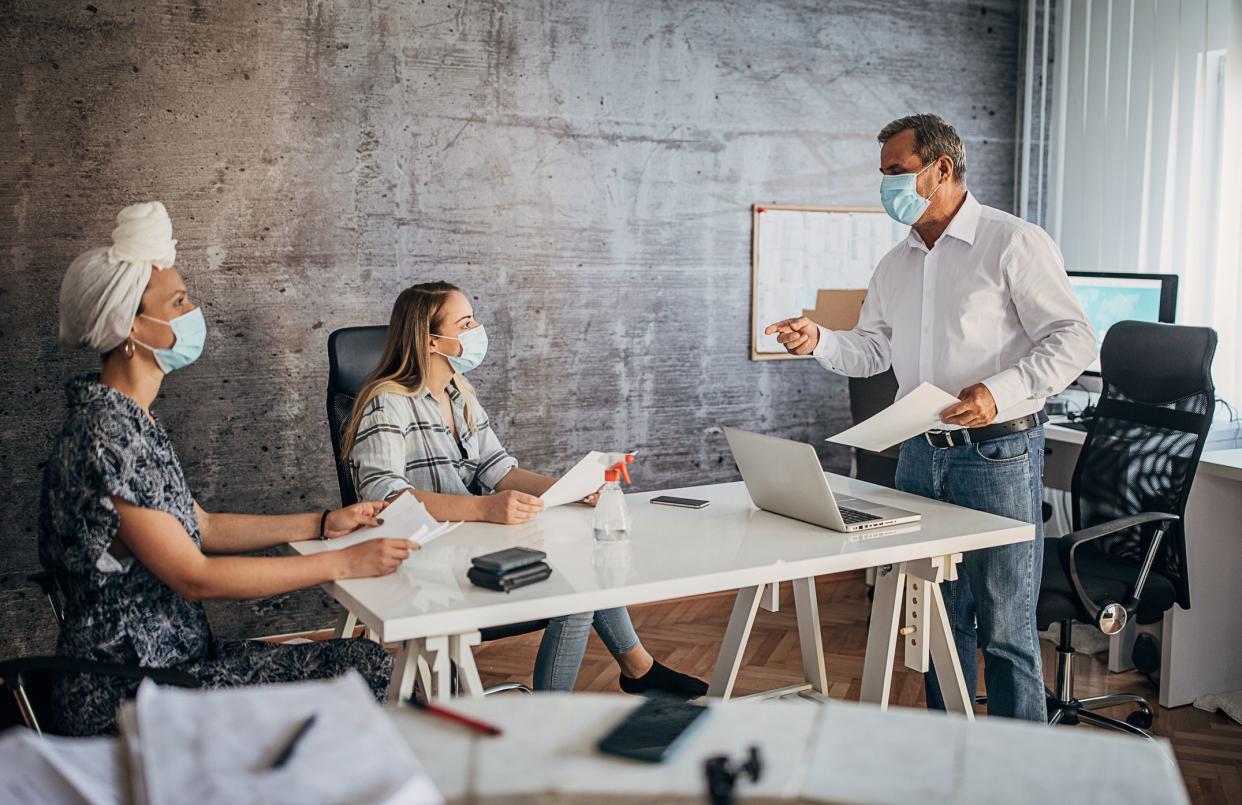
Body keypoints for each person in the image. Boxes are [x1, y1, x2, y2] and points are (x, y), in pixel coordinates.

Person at [765, 115, 1096, 721]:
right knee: (941, 625)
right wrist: (817, 339)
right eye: (884, 174)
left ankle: (1016, 769)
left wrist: (999, 391)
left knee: (1006, 627)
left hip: (998, 454)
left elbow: (1074, 340)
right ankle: (949, 756)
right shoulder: (897, 262)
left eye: (896, 171)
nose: (886, 185)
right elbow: (872, 352)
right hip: (922, 451)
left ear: (941, 168)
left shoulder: (1013, 242)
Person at [42, 201, 412, 736]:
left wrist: (324, 523)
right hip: (132, 691)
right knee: (371, 674)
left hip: (174, 663)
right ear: (128, 328)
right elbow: (195, 576)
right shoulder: (106, 438)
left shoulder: (131, 422)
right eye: (177, 301)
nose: (193, 310)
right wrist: (344, 564)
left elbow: (204, 527)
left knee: (366, 666)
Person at [342, 281, 708, 698]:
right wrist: (483, 509)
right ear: (430, 342)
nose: (478, 329)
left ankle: (638, 669)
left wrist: (572, 489)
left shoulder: (459, 392)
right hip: (423, 557)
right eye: (466, 323)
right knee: (576, 593)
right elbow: (385, 499)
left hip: (469, 544)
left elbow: (497, 468)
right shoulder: (386, 402)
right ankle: (555, 713)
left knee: (584, 564)